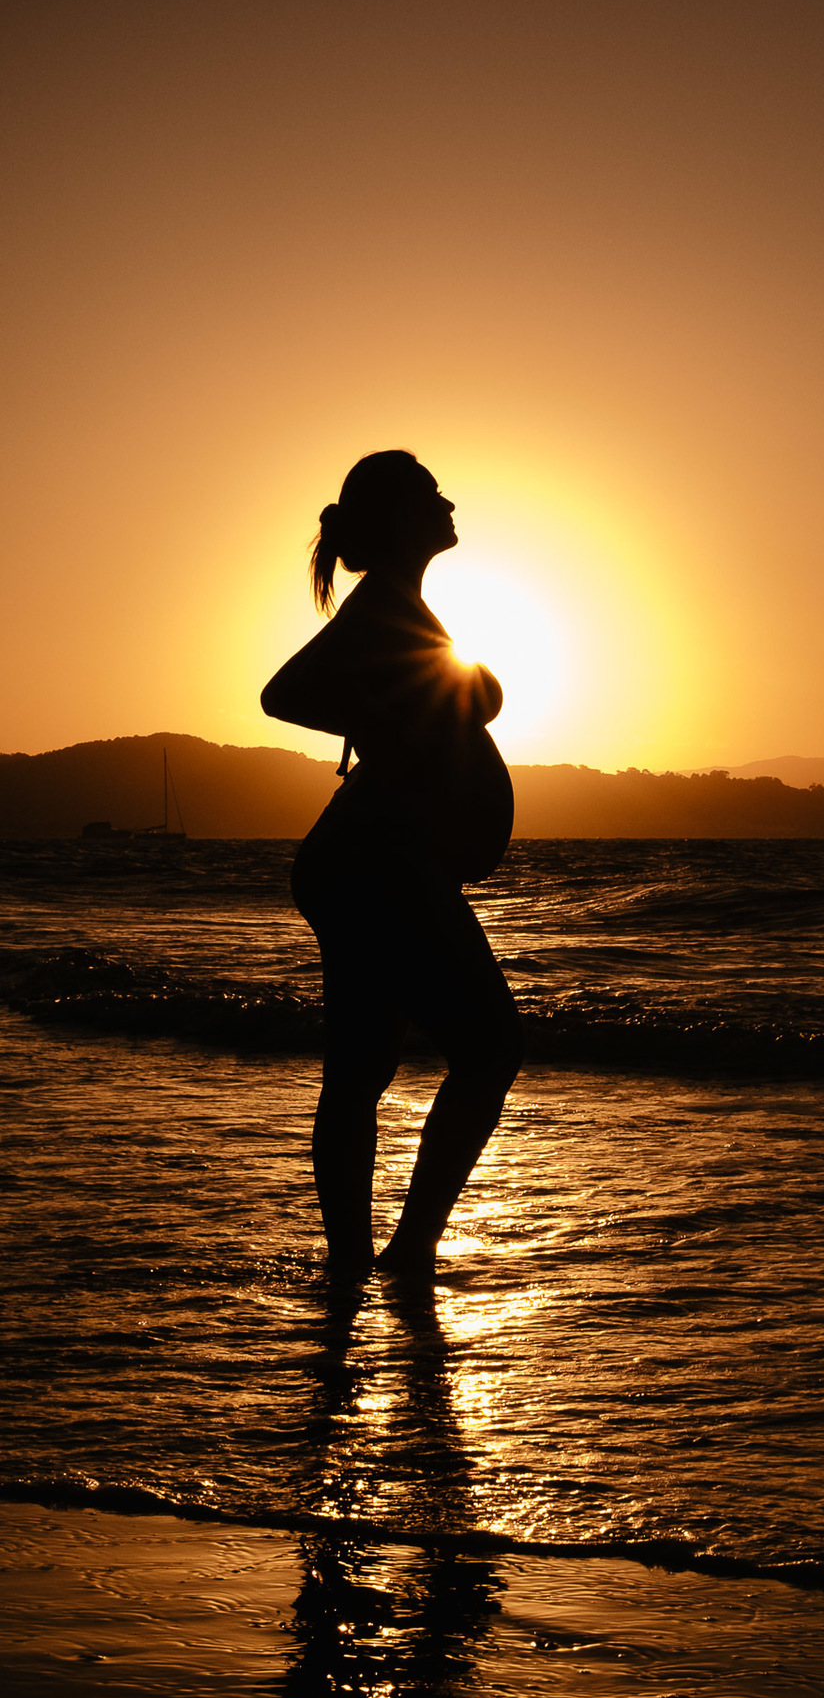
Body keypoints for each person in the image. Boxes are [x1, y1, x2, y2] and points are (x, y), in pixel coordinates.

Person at [261, 450, 522, 1280]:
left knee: (363, 1068)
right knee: (488, 1047)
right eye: (431, 494)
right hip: (377, 864)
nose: (450, 501)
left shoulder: (399, 605)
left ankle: (354, 1266)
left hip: (377, 863)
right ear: (404, 517)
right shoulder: (380, 608)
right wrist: (390, 721)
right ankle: (405, 1254)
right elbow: (284, 693)